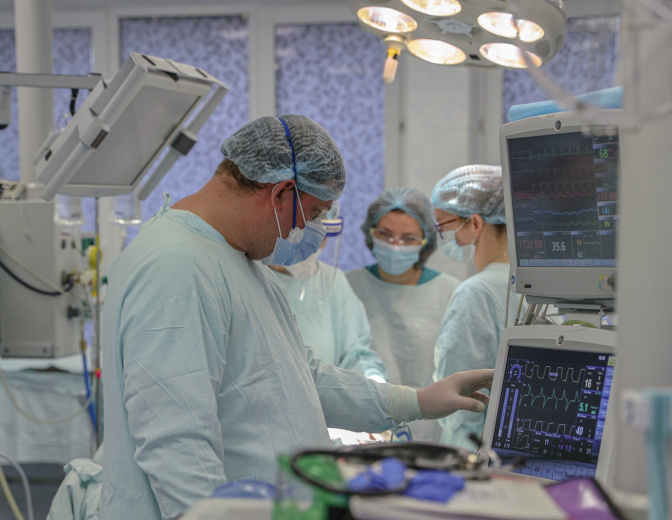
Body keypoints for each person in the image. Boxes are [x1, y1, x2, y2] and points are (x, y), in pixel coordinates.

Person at [99, 115, 493, 520]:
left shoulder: (240, 262)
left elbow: (301, 377)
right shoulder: (177, 266)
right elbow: (177, 444)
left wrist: (417, 401)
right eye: (315, 213)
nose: (312, 229)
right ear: (281, 193)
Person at [346, 187, 460, 442]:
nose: (395, 245)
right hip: (365, 429)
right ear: (371, 233)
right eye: (385, 234)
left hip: (432, 431)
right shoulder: (348, 286)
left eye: (408, 238)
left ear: (425, 241)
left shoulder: (449, 292)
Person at [431, 164, 527, 452]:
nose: (444, 235)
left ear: (475, 223)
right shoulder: (540, 288)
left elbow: (458, 405)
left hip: (475, 456)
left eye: (444, 225)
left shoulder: (476, 292)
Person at [267, 204, 388, 382]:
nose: (315, 247)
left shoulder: (332, 281)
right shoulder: (251, 275)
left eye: (323, 238)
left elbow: (354, 353)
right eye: (310, 238)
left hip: (320, 399)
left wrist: (373, 380)